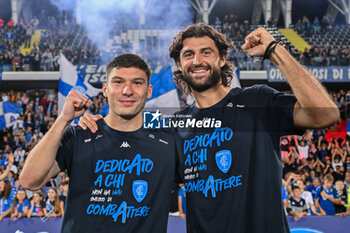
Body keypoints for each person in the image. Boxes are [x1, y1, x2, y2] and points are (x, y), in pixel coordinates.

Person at [79, 24, 339, 232]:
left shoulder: (255, 101)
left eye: (206, 52)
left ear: (223, 59)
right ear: (180, 65)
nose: (197, 60)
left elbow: (325, 115)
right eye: (188, 55)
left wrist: (274, 50)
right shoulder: (175, 126)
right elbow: (128, 157)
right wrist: (97, 124)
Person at [20, 54, 179, 232]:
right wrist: (63, 120)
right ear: (105, 89)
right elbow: (29, 181)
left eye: (137, 83)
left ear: (149, 91)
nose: (127, 90)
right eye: (118, 82)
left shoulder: (168, 140)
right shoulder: (79, 134)